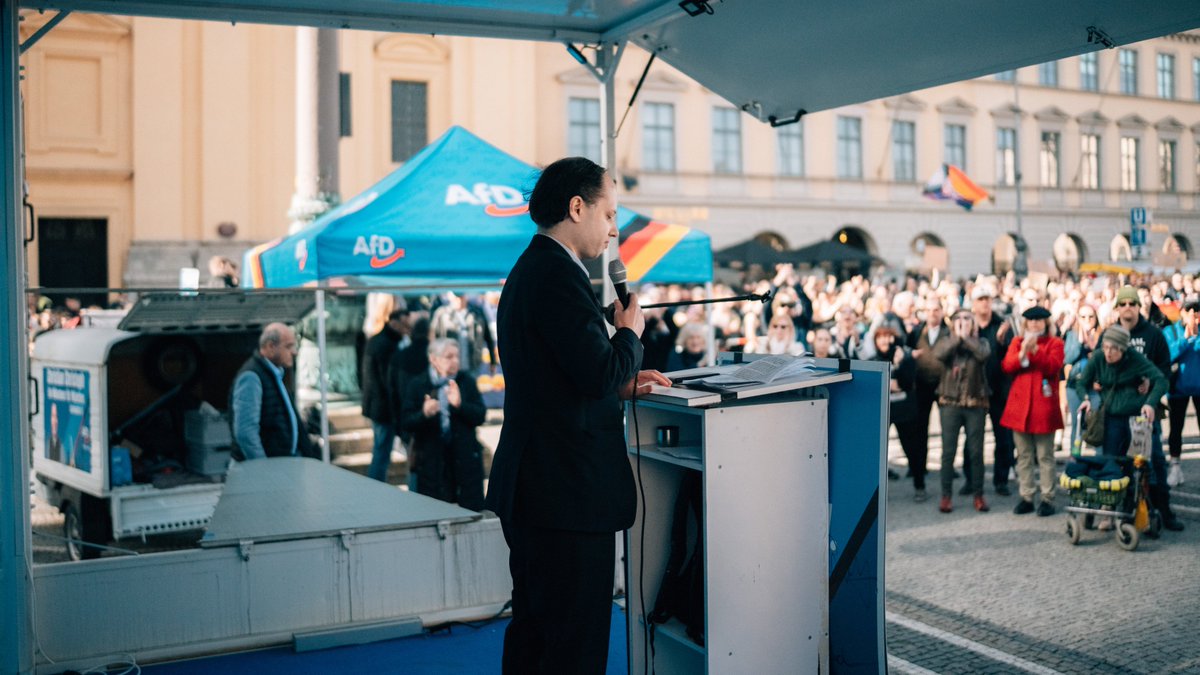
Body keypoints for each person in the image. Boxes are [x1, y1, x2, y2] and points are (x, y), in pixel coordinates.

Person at [484, 157, 670, 674]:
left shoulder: (539, 269)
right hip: (563, 494)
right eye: (609, 215)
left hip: (546, 489)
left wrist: (620, 382)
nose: (614, 230)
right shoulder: (555, 275)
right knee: (570, 645)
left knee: (539, 635)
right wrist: (629, 332)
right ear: (576, 207)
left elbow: (562, 382)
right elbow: (594, 371)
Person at [1112, 285, 1184, 532]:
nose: (1128, 308)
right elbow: (1100, 367)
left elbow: (1164, 371)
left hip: (1145, 412)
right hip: (1116, 412)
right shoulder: (1111, 334)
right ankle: (1120, 512)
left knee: (1154, 464)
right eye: (1123, 304)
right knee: (1117, 463)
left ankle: (1163, 510)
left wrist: (1150, 387)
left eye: (1132, 303)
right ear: (1117, 308)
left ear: (1138, 306)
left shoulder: (1153, 334)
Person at [399, 338, 487, 510]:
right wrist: (424, 414)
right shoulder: (419, 384)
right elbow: (406, 422)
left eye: (457, 356)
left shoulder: (466, 381)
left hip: (464, 462)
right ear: (434, 359)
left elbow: (480, 415)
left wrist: (460, 406)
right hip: (432, 464)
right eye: (449, 357)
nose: (455, 361)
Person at [1001, 307, 1065, 517]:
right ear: (1025, 324)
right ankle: (1026, 495)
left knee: (1045, 456)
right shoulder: (1017, 342)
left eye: (1039, 320)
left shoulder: (1055, 343)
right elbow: (1008, 366)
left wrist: (1035, 351)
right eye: (1031, 321)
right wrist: (1022, 353)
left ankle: (1047, 497)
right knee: (1024, 456)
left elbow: (1053, 367)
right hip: (1020, 407)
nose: (1035, 324)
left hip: (1042, 407)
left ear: (1046, 323)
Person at [933, 308, 992, 513]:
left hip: (975, 403)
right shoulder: (946, 340)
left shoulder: (981, 342)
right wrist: (957, 338)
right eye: (958, 318)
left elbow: (983, 355)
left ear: (974, 323)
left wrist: (966, 338)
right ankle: (946, 495)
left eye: (967, 318)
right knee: (948, 451)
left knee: (976, 452)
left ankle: (978, 495)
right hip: (950, 403)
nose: (963, 321)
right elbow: (939, 354)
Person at [230, 323, 311, 460]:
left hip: (281, 464)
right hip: (267, 470)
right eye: (288, 346)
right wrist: (263, 467)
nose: (294, 352)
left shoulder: (274, 373)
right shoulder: (252, 377)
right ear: (270, 347)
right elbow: (246, 433)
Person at [870, 326, 925, 500]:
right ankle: (873, 491)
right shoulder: (873, 360)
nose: (884, 341)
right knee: (876, 451)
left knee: (911, 448)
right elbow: (875, 385)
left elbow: (907, 383)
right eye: (880, 337)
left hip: (905, 410)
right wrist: (891, 383)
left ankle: (919, 485)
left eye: (888, 337)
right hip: (882, 410)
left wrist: (899, 365)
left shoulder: (904, 357)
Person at [972, 284, 1015, 496]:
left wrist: (1000, 341)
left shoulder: (1002, 325)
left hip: (999, 389)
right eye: (980, 299)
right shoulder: (969, 325)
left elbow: (1011, 357)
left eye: (987, 299)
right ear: (973, 303)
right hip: (975, 390)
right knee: (973, 438)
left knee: (1003, 438)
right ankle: (971, 479)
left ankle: (1001, 480)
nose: (985, 303)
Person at [361, 308, 411, 482]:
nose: (407, 329)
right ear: (394, 323)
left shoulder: (380, 341)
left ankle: (376, 483)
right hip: (382, 407)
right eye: (405, 325)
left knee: (381, 450)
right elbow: (387, 381)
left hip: (377, 405)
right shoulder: (386, 344)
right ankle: (376, 485)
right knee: (382, 451)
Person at [1164, 298, 1200, 487]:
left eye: (1196, 311)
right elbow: (1168, 355)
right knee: (1176, 429)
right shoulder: (1171, 331)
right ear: (1182, 312)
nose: (1193, 315)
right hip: (1177, 388)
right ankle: (1175, 466)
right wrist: (1186, 339)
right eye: (1189, 311)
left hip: (1199, 388)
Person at [1063, 303, 1101, 453]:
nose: (1087, 320)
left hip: (1096, 386)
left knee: (1097, 423)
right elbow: (1068, 358)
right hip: (1075, 385)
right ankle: (1075, 457)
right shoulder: (1072, 335)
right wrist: (1079, 342)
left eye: (1091, 316)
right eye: (1083, 316)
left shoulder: (1101, 334)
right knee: (1076, 424)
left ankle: (1099, 461)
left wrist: (1093, 347)